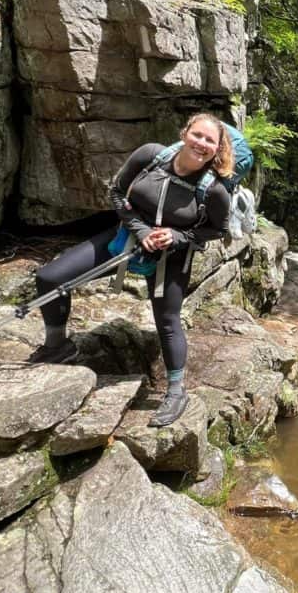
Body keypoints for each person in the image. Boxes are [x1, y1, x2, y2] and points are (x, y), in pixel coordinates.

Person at [31, 112, 233, 427]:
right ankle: (57, 346)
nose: (202, 144)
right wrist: (140, 231)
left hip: (172, 256)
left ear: (217, 149)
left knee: (167, 320)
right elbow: (116, 193)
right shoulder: (151, 156)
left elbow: (217, 230)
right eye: (198, 135)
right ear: (184, 133)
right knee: (49, 278)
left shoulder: (215, 190)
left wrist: (177, 237)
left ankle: (176, 391)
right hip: (126, 237)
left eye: (210, 141)